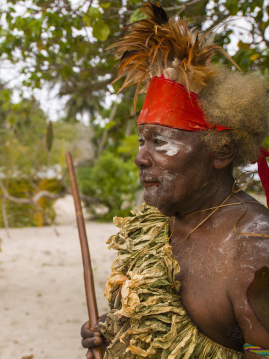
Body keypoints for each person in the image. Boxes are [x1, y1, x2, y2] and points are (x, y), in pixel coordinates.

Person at [81, 3, 269, 358]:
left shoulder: (255, 248)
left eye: (161, 142)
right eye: (142, 140)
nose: (140, 157)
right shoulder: (156, 225)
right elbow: (150, 324)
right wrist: (113, 333)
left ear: (221, 151)